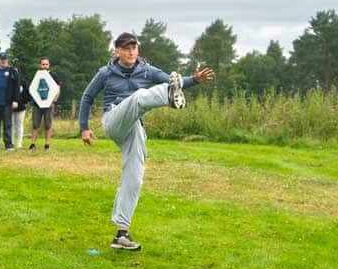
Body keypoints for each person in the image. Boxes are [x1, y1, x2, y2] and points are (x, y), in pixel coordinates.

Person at [79, 32, 215, 251]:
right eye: (126, 48)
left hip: (134, 127)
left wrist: (195, 80)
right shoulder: (105, 73)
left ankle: (121, 234)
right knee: (140, 96)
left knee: (134, 177)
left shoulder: (147, 69)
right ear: (117, 51)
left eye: (134, 48)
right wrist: (84, 127)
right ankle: (167, 99)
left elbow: (174, 83)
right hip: (114, 119)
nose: (131, 52)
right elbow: (87, 97)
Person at [29, 57, 60, 151]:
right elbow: (32, 88)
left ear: (49, 65)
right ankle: (32, 144)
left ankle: (47, 145)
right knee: (35, 125)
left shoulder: (54, 75)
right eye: (43, 64)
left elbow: (57, 89)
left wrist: (53, 101)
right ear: (40, 65)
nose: (45, 66)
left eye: (46, 64)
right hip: (37, 104)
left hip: (49, 104)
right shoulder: (36, 75)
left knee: (48, 125)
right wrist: (36, 100)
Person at [11, 72, 31, 149]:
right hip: (10, 107)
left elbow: (27, 94)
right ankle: (11, 142)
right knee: (11, 125)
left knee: (19, 125)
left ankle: (19, 143)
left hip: (21, 107)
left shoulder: (23, 82)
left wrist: (25, 102)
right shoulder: (8, 82)